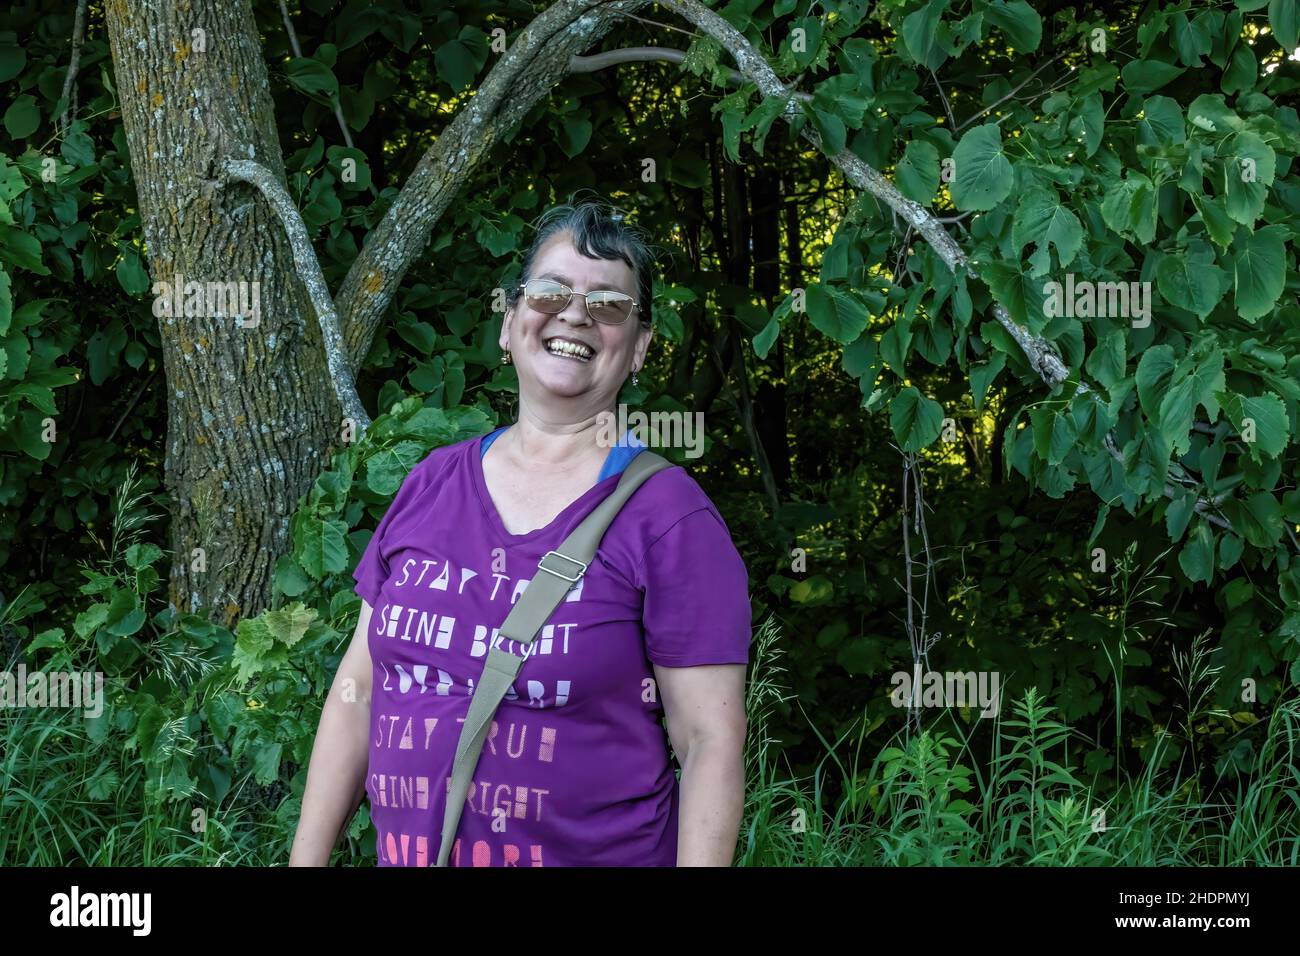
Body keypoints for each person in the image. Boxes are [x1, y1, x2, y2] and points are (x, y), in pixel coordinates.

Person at [289, 200, 752, 867]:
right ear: (509, 322)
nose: (574, 313)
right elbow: (355, 694)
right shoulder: (431, 485)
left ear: (641, 347)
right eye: (551, 291)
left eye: (608, 304)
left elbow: (709, 742)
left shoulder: (670, 518)